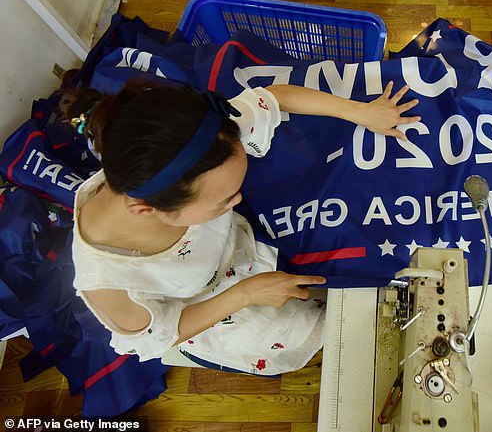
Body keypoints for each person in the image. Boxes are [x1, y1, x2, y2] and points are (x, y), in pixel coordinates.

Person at [67, 78, 419, 375]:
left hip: (248, 246)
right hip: (217, 309)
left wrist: (361, 111)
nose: (235, 203)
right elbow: (153, 335)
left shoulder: (200, 141)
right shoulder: (107, 280)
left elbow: (275, 97)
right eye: (223, 201)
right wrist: (246, 294)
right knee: (338, 328)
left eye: (236, 190)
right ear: (145, 210)